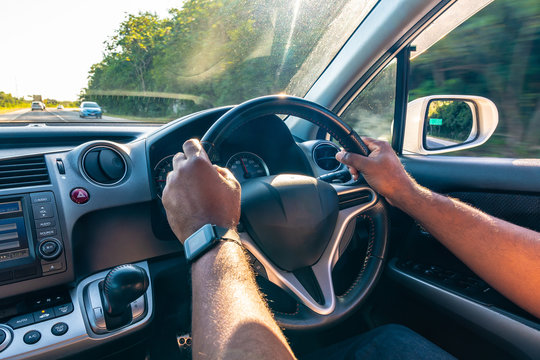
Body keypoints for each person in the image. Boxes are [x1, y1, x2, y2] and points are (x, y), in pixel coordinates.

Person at [162, 138, 540, 360]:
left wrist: (207, 230)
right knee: (389, 341)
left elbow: (209, 226)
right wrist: (405, 193)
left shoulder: (207, 224)